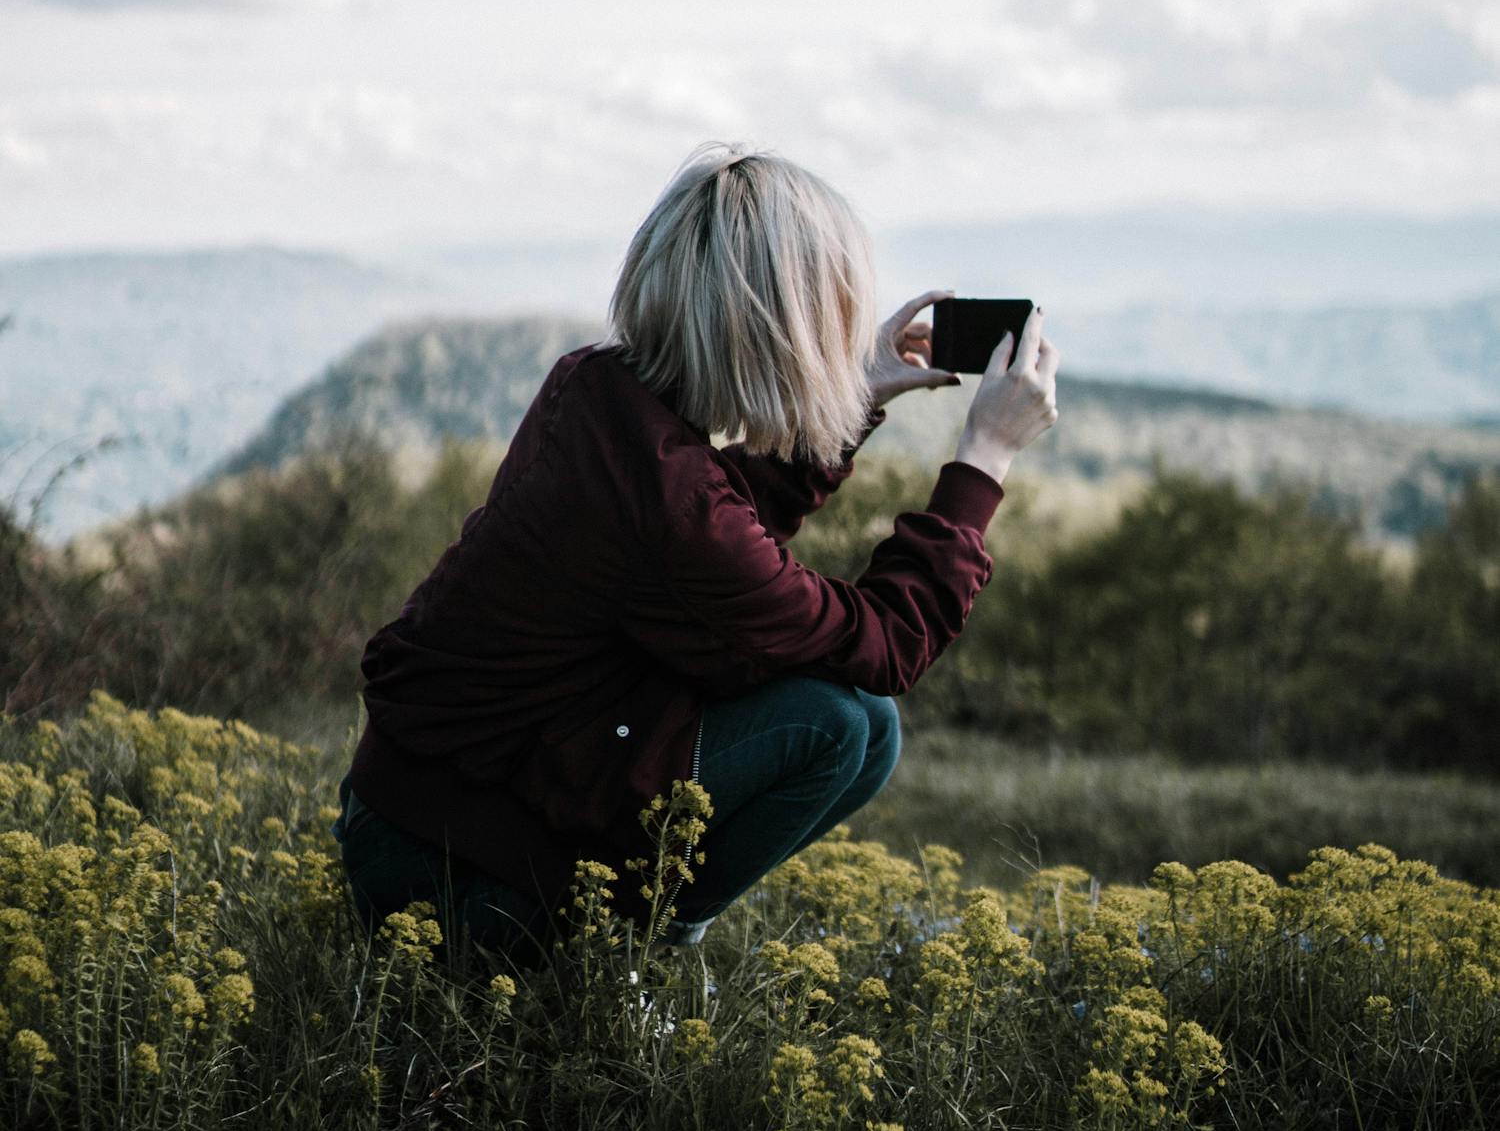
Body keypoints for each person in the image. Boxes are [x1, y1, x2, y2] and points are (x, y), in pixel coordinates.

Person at [334, 140, 1060, 969]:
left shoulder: (597, 387)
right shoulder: (675, 508)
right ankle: (623, 960)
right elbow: (885, 642)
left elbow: (712, 529)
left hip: (416, 813)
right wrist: (984, 459)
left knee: (866, 728)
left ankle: (626, 937)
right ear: (783, 331)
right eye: (835, 319)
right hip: (446, 878)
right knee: (832, 723)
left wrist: (852, 399)